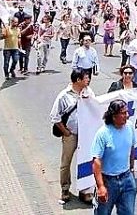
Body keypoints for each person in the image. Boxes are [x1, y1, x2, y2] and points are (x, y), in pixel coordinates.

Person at [50, 69, 95, 204]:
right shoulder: (63, 96)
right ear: (78, 80)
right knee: (66, 162)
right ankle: (65, 189)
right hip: (71, 134)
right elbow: (54, 117)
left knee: (86, 161)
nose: (88, 80)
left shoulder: (89, 92)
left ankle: (85, 190)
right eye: (86, 78)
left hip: (85, 134)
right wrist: (65, 132)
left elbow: (95, 108)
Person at [91, 99, 137, 215]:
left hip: (127, 179)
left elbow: (131, 148)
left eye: (127, 112)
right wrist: (101, 186)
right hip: (108, 182)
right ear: (113, 116)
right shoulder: (103, 133)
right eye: (123, 113)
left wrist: (131, 169)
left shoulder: (130, 127)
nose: (127, 115)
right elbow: (96, 161)